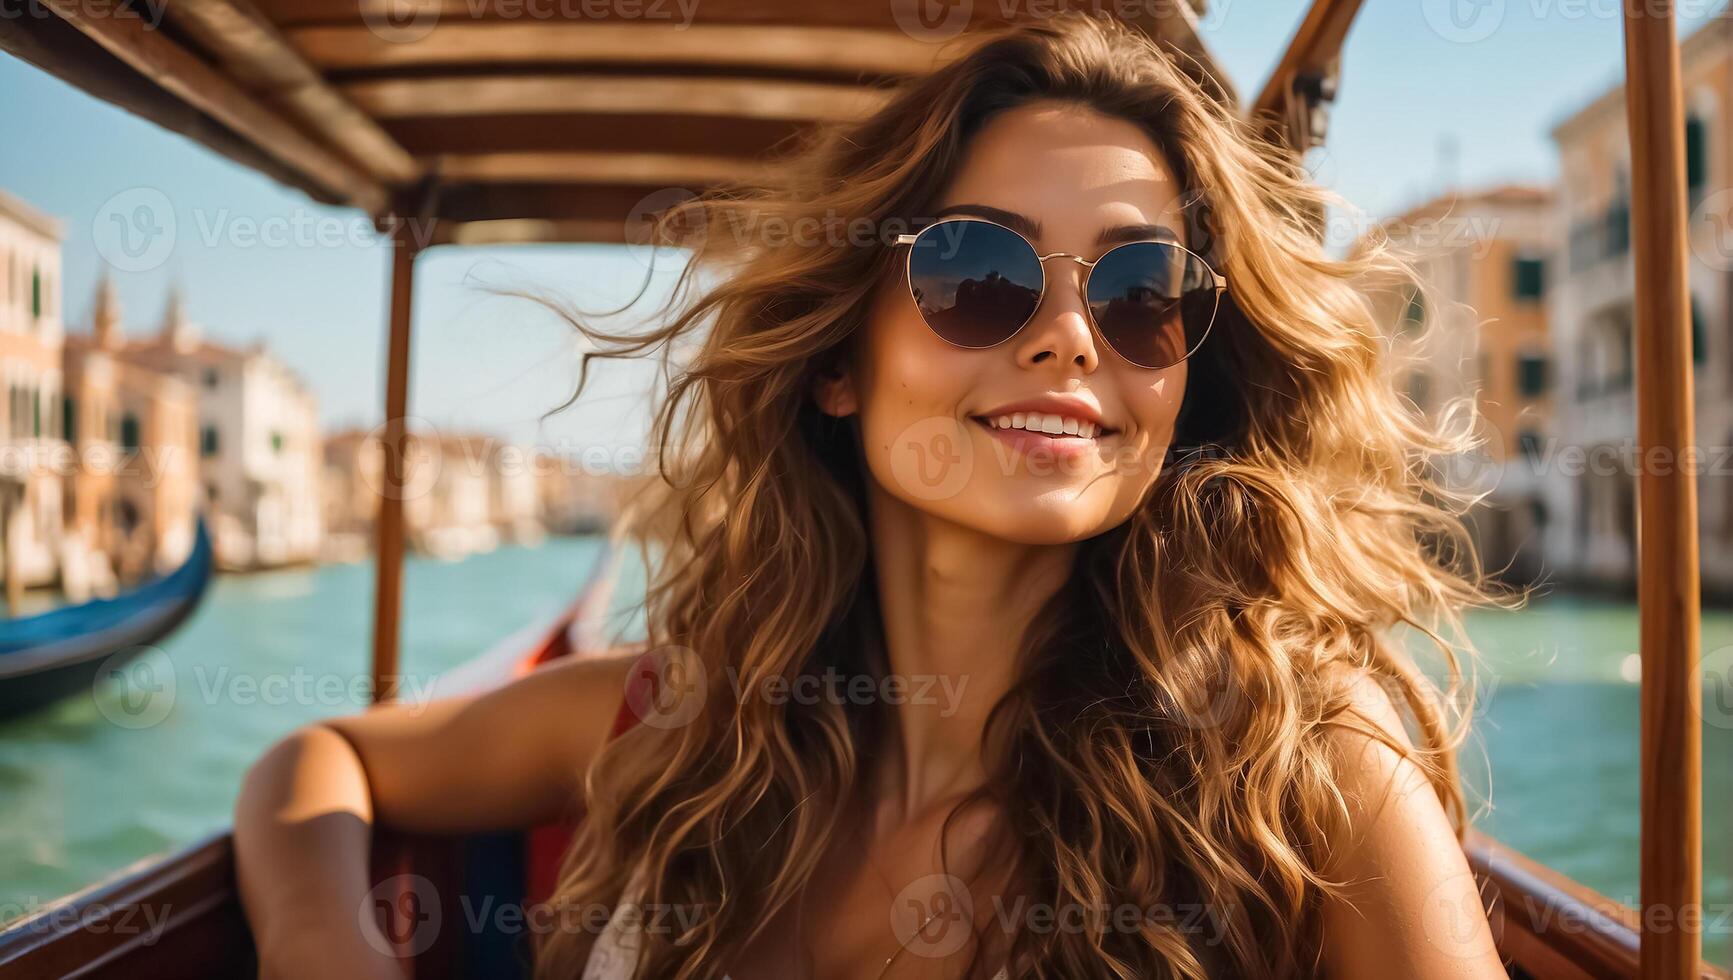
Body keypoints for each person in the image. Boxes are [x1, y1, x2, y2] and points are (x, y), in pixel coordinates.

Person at [235, 14, 1508, 979]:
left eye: (1138, 290)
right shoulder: (676, 720)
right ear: (840, 357)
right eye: (976, 270)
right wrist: (323, 945)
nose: (1070, 335)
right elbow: (318, 759)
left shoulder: (1303, 774)